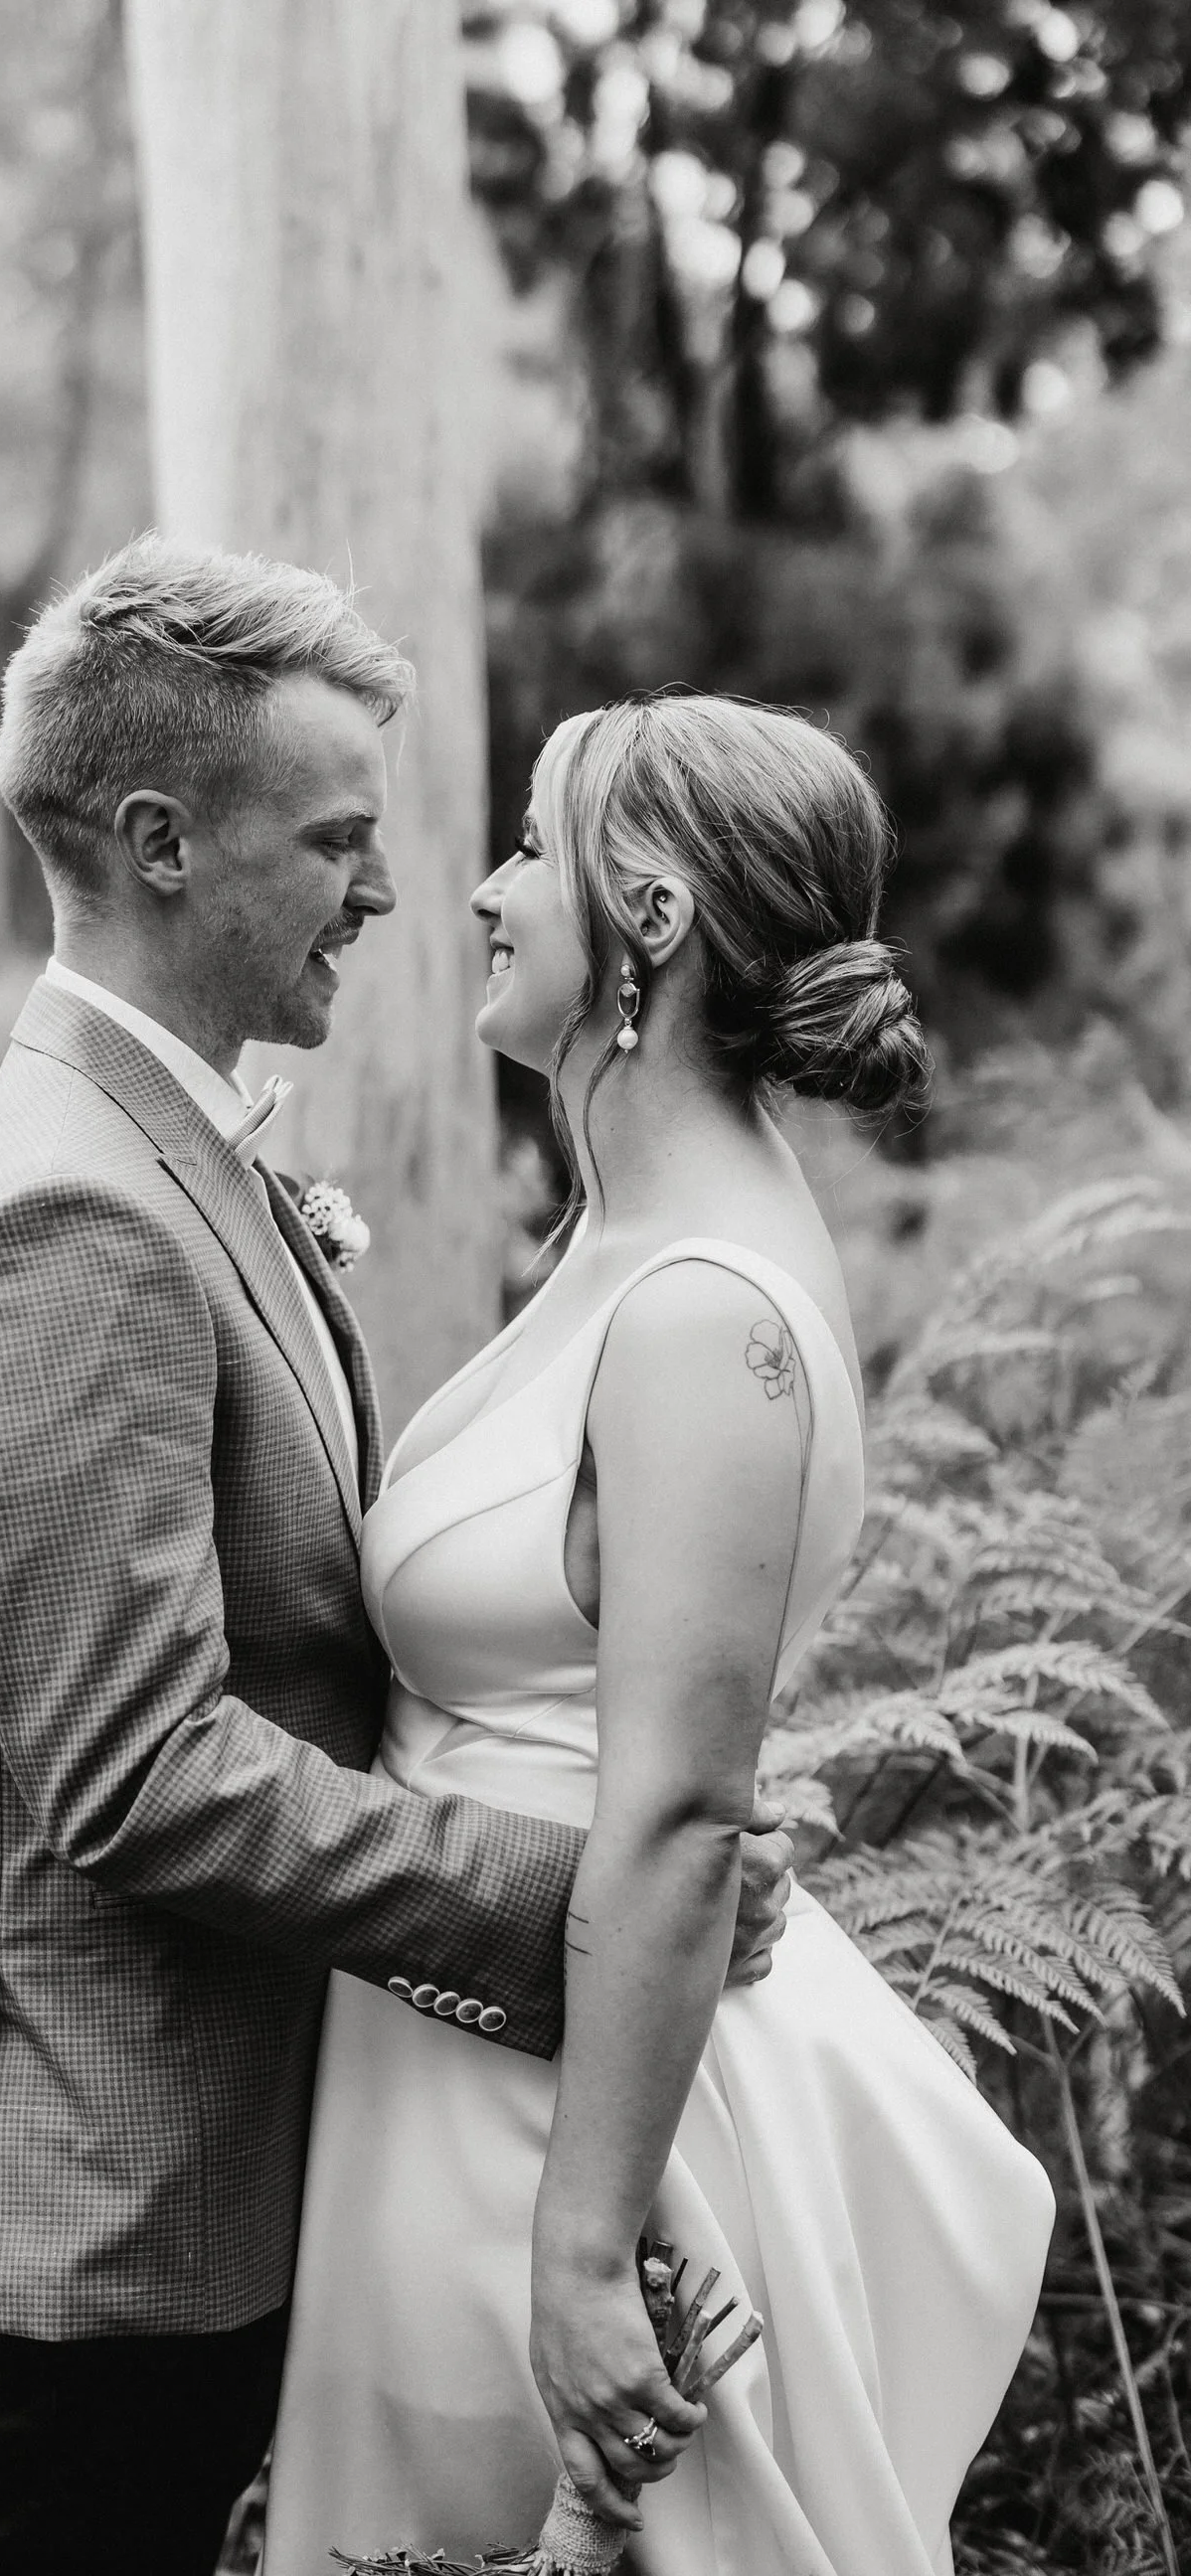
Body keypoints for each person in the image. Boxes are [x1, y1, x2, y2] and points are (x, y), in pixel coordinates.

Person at [0, 546, 794, 2576]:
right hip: (104, 2239)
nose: (387, 891)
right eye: (339, 838)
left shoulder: (179, 1149)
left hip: (237, 2184)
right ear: (159, 843)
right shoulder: (73, 1219)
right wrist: (582, 1901)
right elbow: (140, 1776)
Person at [264, 695, 1058, 2576]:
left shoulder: (706, 1316)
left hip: (592, 2144)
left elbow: (689, 1811)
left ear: (653, 911)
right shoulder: (630, 1248)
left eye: (533, 846)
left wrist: (578, 2250)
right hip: (466, 2063)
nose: (481, 888)